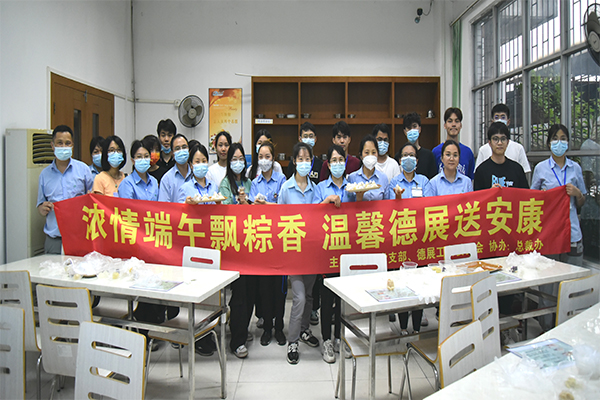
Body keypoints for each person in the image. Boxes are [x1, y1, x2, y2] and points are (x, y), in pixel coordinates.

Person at [313, 144, 355, 363]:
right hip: (327, 249)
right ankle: (327, 340)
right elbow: (312, 215)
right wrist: (326, 202)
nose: (338, 164)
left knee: (342, 297)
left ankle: (340, 337)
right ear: (328, 165)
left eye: (341, 160)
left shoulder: (353, 187)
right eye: (334, 160)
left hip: (347, 248)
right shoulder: (320, 187)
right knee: (327, 296)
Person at [279, 142, 319, 365]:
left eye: (307, 159)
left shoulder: (316, 189)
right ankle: (292, 340)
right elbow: (277, 220)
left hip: (311, 253)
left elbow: (321, 216)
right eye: (300, 159)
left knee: (310, 296)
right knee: (299, 298)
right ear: (294, 161)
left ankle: (304, 330)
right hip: (293, 253)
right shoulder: (286, 189)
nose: (304, 162)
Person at [249, 141, 288, 350]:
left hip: (280, 241)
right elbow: (253, 209)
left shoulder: (282, 180)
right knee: (264, 288)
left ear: (273, 159)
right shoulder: (254, 182)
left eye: (268, 156)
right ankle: (267, 328)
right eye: (261, 157)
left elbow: (284, 207)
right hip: (262, 240)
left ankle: (279, 326)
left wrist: (266, 205)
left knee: (279, 289)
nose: (264, 160)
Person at [386, 142, 429, 333]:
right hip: (401, 239)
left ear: (417, 161)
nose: (408, 159)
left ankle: (417, 328)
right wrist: (397, 199)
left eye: (412, 155)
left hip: (420, 239)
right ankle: (403, 327)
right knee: (402, 283)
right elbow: (388, 211)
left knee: (418, 284)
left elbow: (431, 207)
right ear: (399, 160)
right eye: (405, 155)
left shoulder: (424, 182)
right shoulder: (393, 183)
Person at [531, 124, 586, 266]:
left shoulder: (575, 168)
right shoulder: (540, 168)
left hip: (572, 232)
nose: (559, 142)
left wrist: (578, 193)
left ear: (567, 143)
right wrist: (542, 197)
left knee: (574, 275)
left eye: (563, 138)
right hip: (549, 232)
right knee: (549, 275)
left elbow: (582, 201)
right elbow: (532, 200)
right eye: (555, 138)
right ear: (549, 143)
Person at [220, 142, 256, 359]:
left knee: (251, 292)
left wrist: (249, 204)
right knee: (239, 294)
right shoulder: (225, 184)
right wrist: (240, 206)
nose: (238, 163)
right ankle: (237, 340)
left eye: (241, 159)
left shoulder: (250, 182)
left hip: (251, 245)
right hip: (234, 247)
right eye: (234, 159)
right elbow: (225, 212)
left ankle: (242, 328)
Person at [37, 125, 94, 254]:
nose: (63, 147)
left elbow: (93, 201)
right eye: (59, 143)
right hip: (54, 239)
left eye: (67, 143)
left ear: (72, 145)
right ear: (52, 145)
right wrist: (42, 208)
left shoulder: (83, 170)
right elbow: (40, 206)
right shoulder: (44, 175)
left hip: (79, 237)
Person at [475, 104, 531, 177]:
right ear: (492, 121)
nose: (499, 143)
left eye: (503, 117)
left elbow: (524, 173)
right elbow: (478, 174)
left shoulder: (518, 148)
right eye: (496, 117)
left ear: (508, 121)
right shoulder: (483, 150)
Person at [473, 122, 528, 191]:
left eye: (503, 139)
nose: (499, 143)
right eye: (495, 139)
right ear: (489, 143)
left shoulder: (517, 169)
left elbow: (525, 194)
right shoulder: (481, 171)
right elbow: (478, 196)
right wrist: (490, 192)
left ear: (508, 142)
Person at [432, 108, 475, 179]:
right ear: (445, 125)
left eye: (457, 121)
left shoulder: (468, 152)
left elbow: (471, 178)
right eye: (450, 121)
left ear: (460, 125)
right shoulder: (436, 151)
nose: (453, 124)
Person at [396, 112, 437, 179]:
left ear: (419, 129)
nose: (412, 130)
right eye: (409, 128)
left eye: (414, 126)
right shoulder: (399, 156)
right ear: (405, 132)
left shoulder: (429, 155)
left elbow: (433, 180)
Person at [348, 135, 389, 201]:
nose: (370, 156)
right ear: (361, 156)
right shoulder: (352, 178)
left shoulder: (383, 178)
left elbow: (387, 203)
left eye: (373, 152)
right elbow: (348, 204)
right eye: (367, 152)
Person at [158, 134, 193, 202]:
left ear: (189, 150)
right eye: (177, 148)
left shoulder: (196, 174)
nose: (181, 151)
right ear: (172, 153)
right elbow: (164, 206)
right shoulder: (166, 180)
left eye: (184, 147)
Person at [154, 119, 177, 183]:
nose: (166, 139)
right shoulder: (155, 160)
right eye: (163, 135)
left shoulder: (178, 160)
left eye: (169, 135)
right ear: (159, 137)